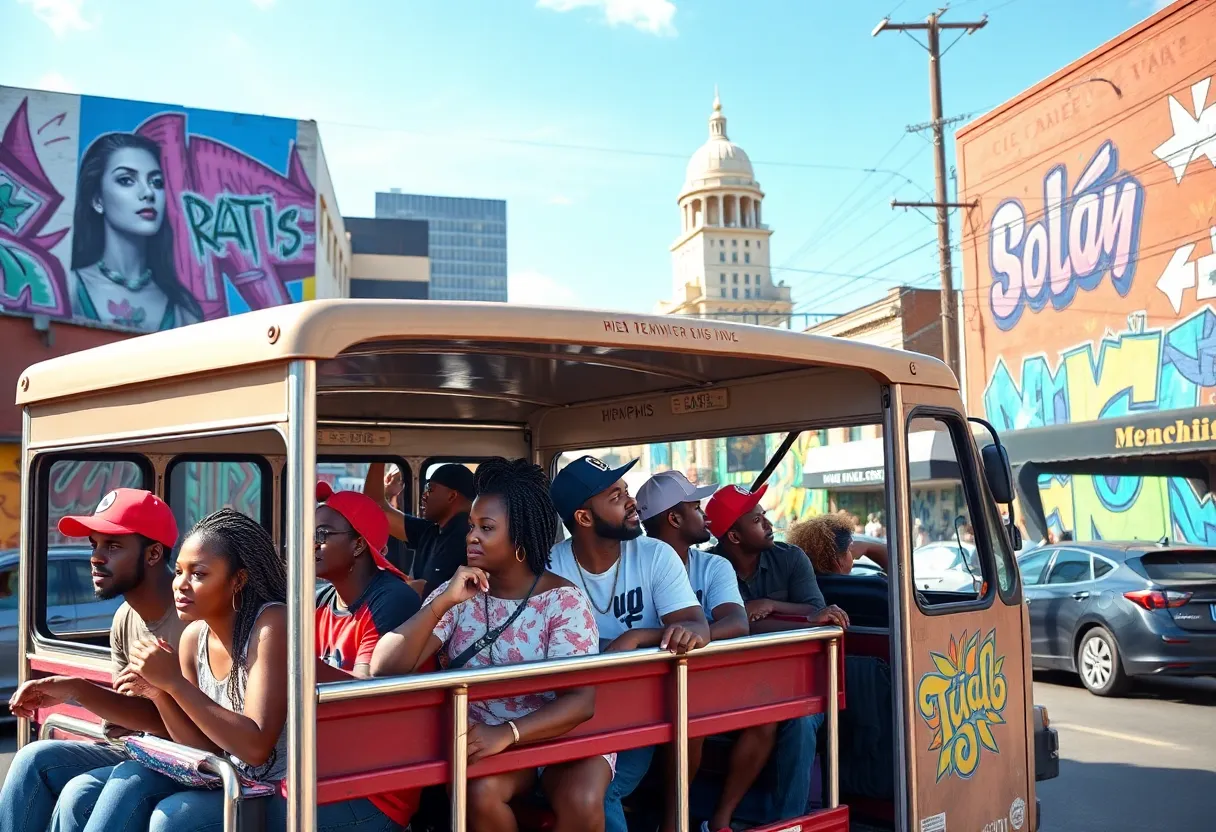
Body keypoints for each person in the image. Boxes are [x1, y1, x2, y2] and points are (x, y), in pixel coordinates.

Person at [56, 509, 402, 832]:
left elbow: (255, 747)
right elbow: (204, 747)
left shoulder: (271, 624)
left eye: (199, 574)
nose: (181, 584)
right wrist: (159, 693)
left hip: (340, 785)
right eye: (179, 571)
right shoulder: (194, 636)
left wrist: (175, 683)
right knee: (103, 788)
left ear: (238, 580)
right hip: (254, 781)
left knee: (172, 819)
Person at [371, 458, 612, 832]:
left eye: (486, 528)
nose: (472, 537)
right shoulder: (461, 593)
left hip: (555, 732)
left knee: (581, 800)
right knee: (479, 791)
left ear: (520, 538)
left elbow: (581, 701)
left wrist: (509, 733)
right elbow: (385, 668)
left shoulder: (563, 601)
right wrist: (442, 603)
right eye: (470, 526)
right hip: (482, 739)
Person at [0, 489, 183, 832]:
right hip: (144, 750)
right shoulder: (124, 619)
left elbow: (184, 725)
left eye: (112, 547)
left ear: (154, 553)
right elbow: (136, 717)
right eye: (94, 545)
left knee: (79, 793)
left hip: (187, 759)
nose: (96, 558)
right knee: (32, 758)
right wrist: (116, 714)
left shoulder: (192, 618)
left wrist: (76, 689)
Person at [547, 456, 711, 832]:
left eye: (626, 491)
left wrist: (636, 637)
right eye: (616, 495)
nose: (631, 501)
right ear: (584, 518)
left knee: (598, 793)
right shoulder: (551, 567)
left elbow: (696, 624)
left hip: (639, 710)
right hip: (570, 711)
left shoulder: (655, 555)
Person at [705, 485, 849, 826]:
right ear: (735, 537)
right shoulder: (710, 566)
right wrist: (755, 620)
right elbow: (714, 626)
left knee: (800, 720)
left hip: (798, 683)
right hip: (733, 682)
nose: (768, 524)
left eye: (765, 516)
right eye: (757, 520)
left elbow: (818, 611)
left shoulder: (791, 557)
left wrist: (768, 607)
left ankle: (789, 823)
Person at [638, 471, 757, 832]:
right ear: (673, 518)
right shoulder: (634, 563)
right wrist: (676, 637)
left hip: (707, 676)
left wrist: (691, 638)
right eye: (695, 507)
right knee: (692, 717)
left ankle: (719, 819)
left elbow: (737, 622)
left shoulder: (714, 564)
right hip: (652, 681)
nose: (705, 515)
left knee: (767, 717)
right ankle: (675, 821)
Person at [314, 482, 424, 828]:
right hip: (327, 766)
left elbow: (361, 696)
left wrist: (294, 666)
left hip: (377, 786)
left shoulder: (391, 600)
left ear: (358, 544)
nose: (310, 543)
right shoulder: (320, 599)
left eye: (322, 533)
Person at [69, 133, 202, 331]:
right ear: (98, 200)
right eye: (126, 180)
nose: (148, 193)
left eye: (156, 182)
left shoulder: (182, 310)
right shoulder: (69, 287)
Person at [365, 461, 475, 598]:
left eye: (430, 489)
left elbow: (424, 590)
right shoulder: (433, 530)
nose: (424, 495)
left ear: (451, 496)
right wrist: (379, 456)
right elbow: (375, 507)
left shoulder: (467, 538)